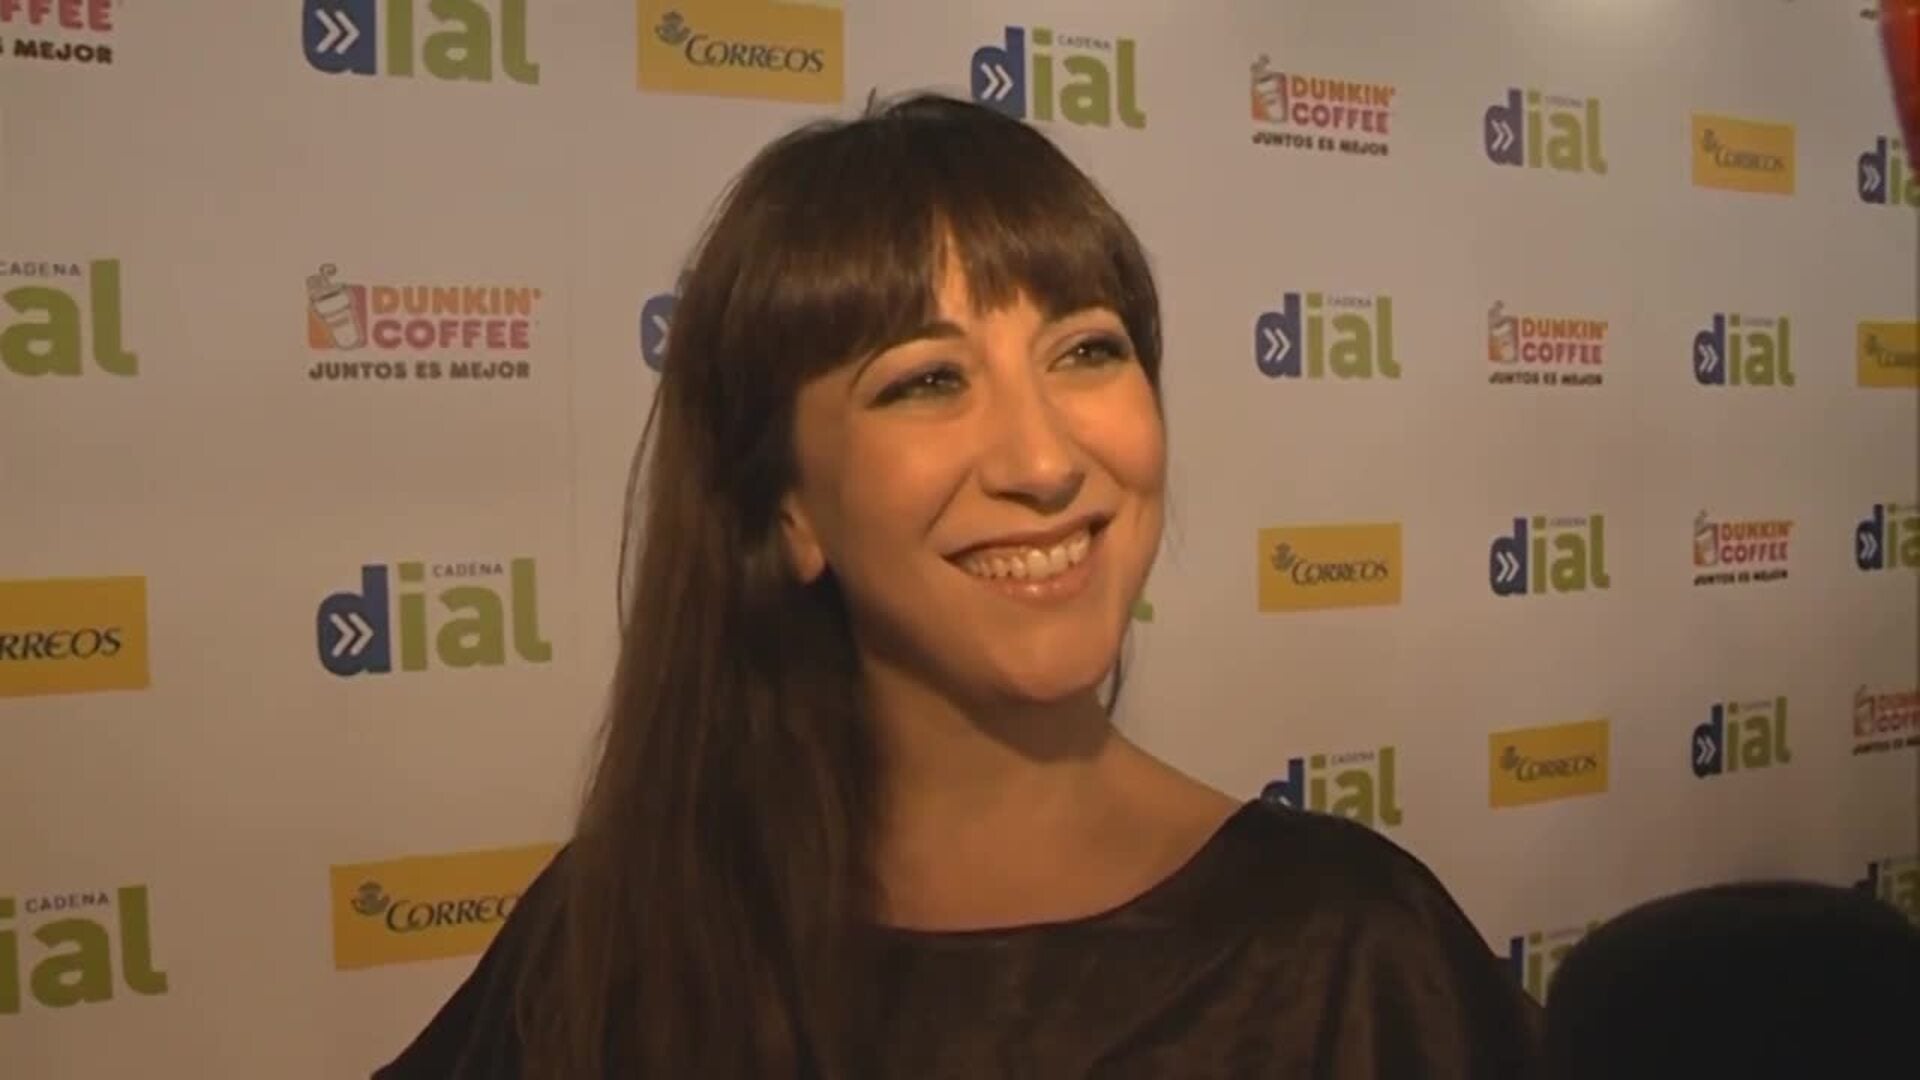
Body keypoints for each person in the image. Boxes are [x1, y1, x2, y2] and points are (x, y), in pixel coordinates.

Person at [373, 91, 1544, 1079]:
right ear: (788, 508)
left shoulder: (1358, 954)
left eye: (1087, 351)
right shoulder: (615, 936)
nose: (1044, 462)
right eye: (927, 381)